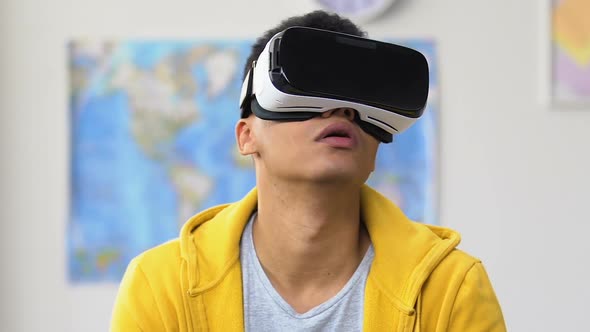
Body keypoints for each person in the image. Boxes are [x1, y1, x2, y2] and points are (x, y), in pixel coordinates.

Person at [110, 10, 506, 331]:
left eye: (356, 99)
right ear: (247, 136)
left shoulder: (451, 288)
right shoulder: (161, 286)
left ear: (374, 151)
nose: (342, 111)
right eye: (313, 87)